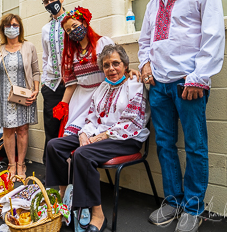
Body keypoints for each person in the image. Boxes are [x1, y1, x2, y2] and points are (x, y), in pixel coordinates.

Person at [138, 0, 225, 231]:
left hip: (188, 84)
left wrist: (199, 77)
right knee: (164, 144)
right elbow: (145, 43)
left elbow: (213, 34)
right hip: (159, 86)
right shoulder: (153, 5)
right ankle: (173, 201)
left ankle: (193, 208)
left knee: (195, 146)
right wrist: (145, 66)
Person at [46, 45, 150, 232]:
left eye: (116, 63)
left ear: (125, 65)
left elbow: (132, 121)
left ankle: (98, 215)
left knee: (83, 154)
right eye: (106, 65)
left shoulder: (134, 84)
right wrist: (84, 133)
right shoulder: (102, 87)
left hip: (125, 139)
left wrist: (102, 136)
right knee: (54, 145)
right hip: (99, 137)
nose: (111, 69)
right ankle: (66, 201)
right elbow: (91, 118)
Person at [58, 6, 139, 137]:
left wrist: (128, 71)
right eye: (68, 30)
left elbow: (116, 61)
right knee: (70, 136)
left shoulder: (102, 43)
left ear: (84, 23)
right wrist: (63, 104)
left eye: (74, 26)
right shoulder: (71, 53)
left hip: (102, 94)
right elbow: (72, 84)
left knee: (92, 134)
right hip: (80, 99)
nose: (72, 31)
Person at [0, 13, 40, 180]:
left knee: (23, 129)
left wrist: (35, 90)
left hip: (24, 95)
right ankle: (11, 164)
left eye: (15, 25)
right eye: (8, 26)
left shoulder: (29, 46)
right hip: (4, 96)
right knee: (8, 131)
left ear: (20, 27)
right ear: (3, 29)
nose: (12, 28)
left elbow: (36, 71)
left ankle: (21, 164)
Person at [40, 0, 67, 165]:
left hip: (72, 85)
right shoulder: (45, 29)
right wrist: (44, 82)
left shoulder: (75, 20)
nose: (50, 3)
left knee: (69, 128)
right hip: (51, 85)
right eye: (46, 2)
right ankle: (51, 173)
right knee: (51, 128)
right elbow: (45, 56)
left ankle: (70, 171)